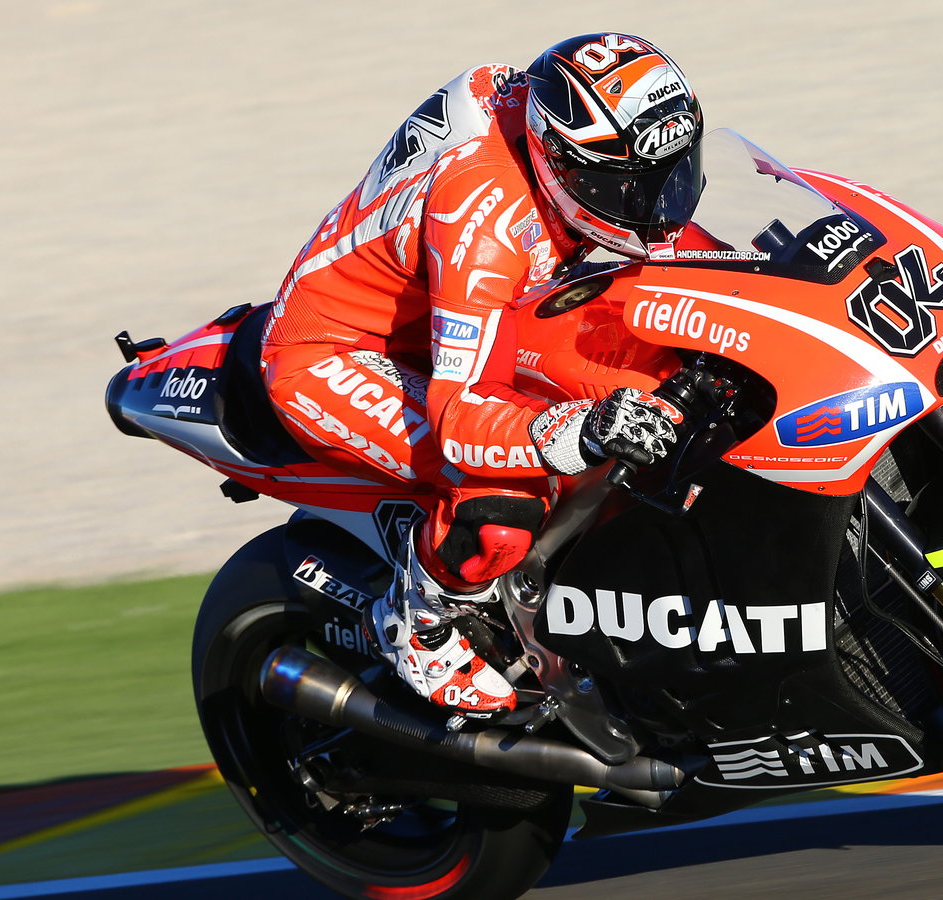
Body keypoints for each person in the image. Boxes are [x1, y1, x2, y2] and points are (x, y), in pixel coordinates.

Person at [260, 34, 704, 717]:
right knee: (508, 492)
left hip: (464, 312)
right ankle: (421, 617)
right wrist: (578, 429)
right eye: (629, 186)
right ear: (558, 161)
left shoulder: (555, 134)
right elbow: (463, 418)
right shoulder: (488, 220)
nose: (660, 204)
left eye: (673, 173)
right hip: (337, 353)